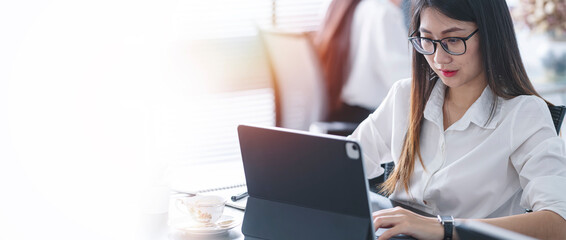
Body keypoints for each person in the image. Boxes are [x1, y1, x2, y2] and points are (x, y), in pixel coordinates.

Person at [348, 0, 566, 239]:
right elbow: (343, 167)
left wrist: (445, 228)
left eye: (453, 40)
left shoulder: (524, 114)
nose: (439, 58)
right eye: (427, 39)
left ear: (490, 35)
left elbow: (558, 222)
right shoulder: (404, 96)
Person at [314, 0, 411, 124]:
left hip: (336, 117)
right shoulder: (382, 11)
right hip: (369, 122)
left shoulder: (335, 5)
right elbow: (407, 83)